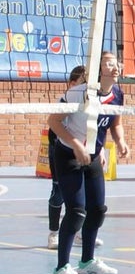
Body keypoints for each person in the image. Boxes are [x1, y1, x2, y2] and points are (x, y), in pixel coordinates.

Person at [46, 51, 132, 274]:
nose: (115, 68)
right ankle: (61, 267)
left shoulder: (117, 94)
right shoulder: (77, 94)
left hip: (93, 155)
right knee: (76, 211)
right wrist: (75, 145)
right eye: (108, 64)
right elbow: (53, 121)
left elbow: (116, 123)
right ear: (97, 70)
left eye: (116, 64)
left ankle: (86, 262)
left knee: (98, 209)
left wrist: (119, 140)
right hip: (68, 155)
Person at [46, 65, 89, 250]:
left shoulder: (91, 100)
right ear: (73, 84)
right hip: (61, 151)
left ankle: (79, 233)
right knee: (59, 193)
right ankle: (53, 234)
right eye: (83, 81)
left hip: (84, 152)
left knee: (84, 194)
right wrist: (71, 146)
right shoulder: (66, 100)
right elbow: (53, 130)